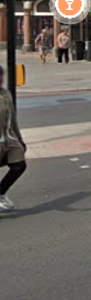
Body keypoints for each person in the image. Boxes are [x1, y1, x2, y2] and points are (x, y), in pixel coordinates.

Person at [0, 65, 27, 211]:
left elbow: (13, 119)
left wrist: (20, 139)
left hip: (9, 138)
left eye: (1, 76)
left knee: (19, 165)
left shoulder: (6, 94)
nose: (0, 79)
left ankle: (1, 192)